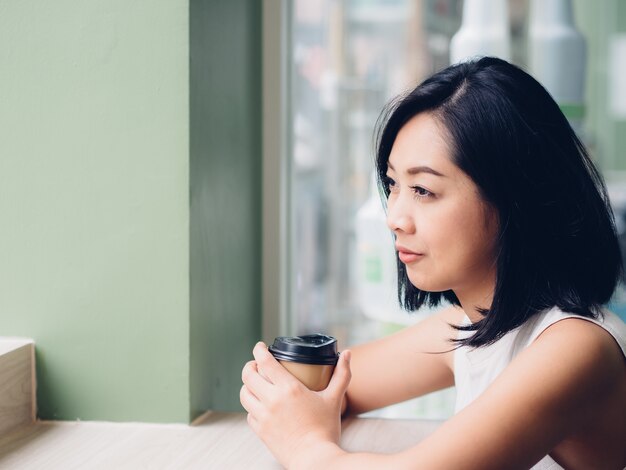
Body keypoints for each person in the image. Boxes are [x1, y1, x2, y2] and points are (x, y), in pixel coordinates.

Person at [240, 57, 626, 469]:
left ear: (515, 199)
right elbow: (331, 387)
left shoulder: (575, 348)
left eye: (423, 190)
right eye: (393, 184)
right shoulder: (472, 326)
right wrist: (278, 386)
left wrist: (305, 445)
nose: (395, 218)